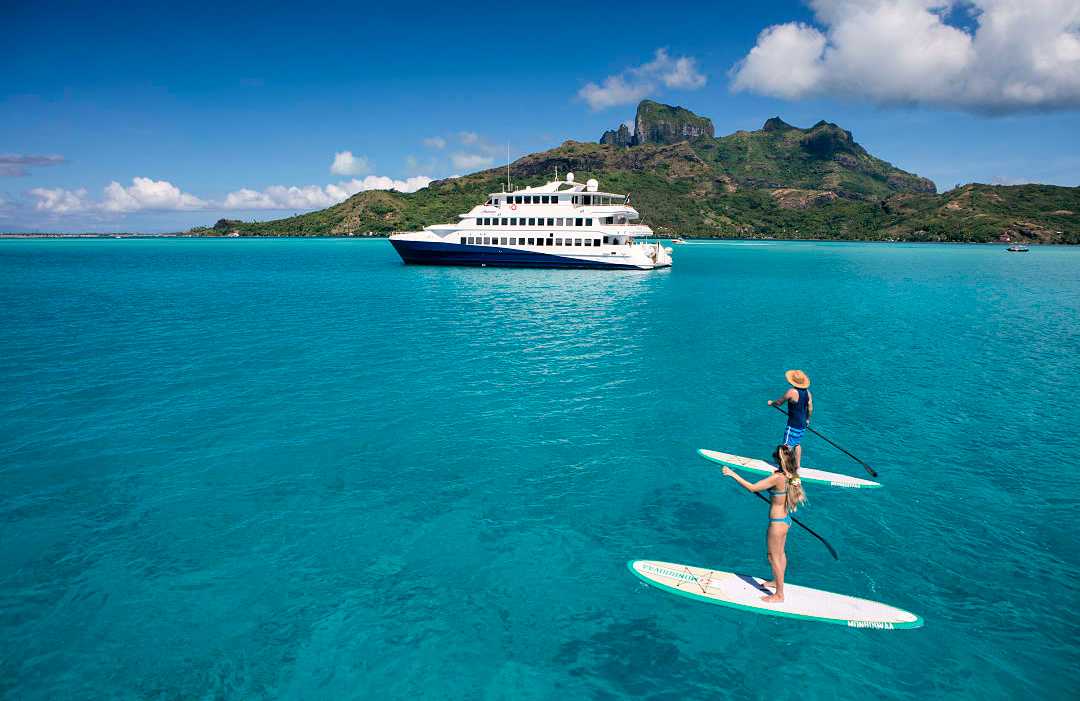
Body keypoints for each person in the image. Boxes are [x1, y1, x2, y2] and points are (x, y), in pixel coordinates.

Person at [721, 445, 806, 602]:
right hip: (786, 521)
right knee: (780, 554)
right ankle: (776, 582)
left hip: (776, 524)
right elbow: (791, 494)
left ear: (779, 460)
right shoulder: (792, 476)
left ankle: (779, 594)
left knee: (773, 557)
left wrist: (732, 474)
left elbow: (753, 488)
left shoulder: (777, 478)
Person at [768, 369, 812, 471]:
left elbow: (779, 402)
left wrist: (771, 403)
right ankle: (798, 466)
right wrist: (808, 419)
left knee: (786, 446)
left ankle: (785, 468)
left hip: (793, 424)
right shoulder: (808, 393)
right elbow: (810, 408)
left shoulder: (791, 392)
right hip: (802, 424)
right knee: (797, 444)